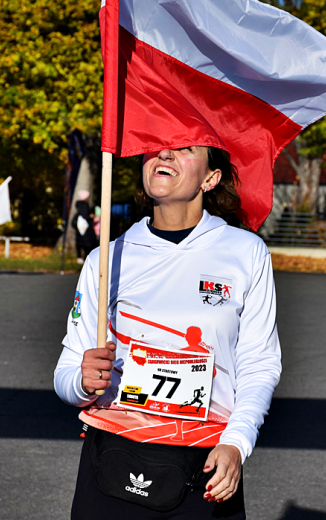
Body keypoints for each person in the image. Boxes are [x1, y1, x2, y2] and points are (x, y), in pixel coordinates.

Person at [54, 146, 282, 519]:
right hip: (112, 459)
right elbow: (66, 375)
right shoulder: (106, 259)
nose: (165, 154)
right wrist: (82, 381)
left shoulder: (246, 253)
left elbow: (260, 364)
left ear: (211, 178)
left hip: (205, 464)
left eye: (185, 149)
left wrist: (237, 444)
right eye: (156, 148)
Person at [72, 190, 97, 264]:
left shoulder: (79, 205)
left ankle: (80, 257)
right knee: (88, 243)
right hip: (85, 228)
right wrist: (91, 216)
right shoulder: (84, 205)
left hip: (80, 228)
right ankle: (86, 257)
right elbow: (85, 215)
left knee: (80, 243)